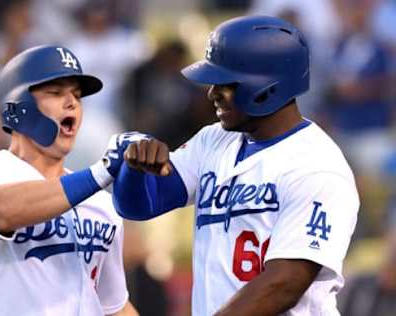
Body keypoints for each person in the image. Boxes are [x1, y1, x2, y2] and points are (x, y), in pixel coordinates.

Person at [110, 16, 360, 315]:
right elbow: (141, 205)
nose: (212, 93)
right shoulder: (212, 140)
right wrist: (135, 168)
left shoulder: (316, 165)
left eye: (225, 83)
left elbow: (286, 282)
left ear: (268, 86)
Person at [0, 45, 138, 316]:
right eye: (55, 93)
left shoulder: (102, 205)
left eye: (77, 96)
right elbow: (0, 212)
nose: (72, 103)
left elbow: (113, 306)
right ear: (18, 105)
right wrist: (101, 172)